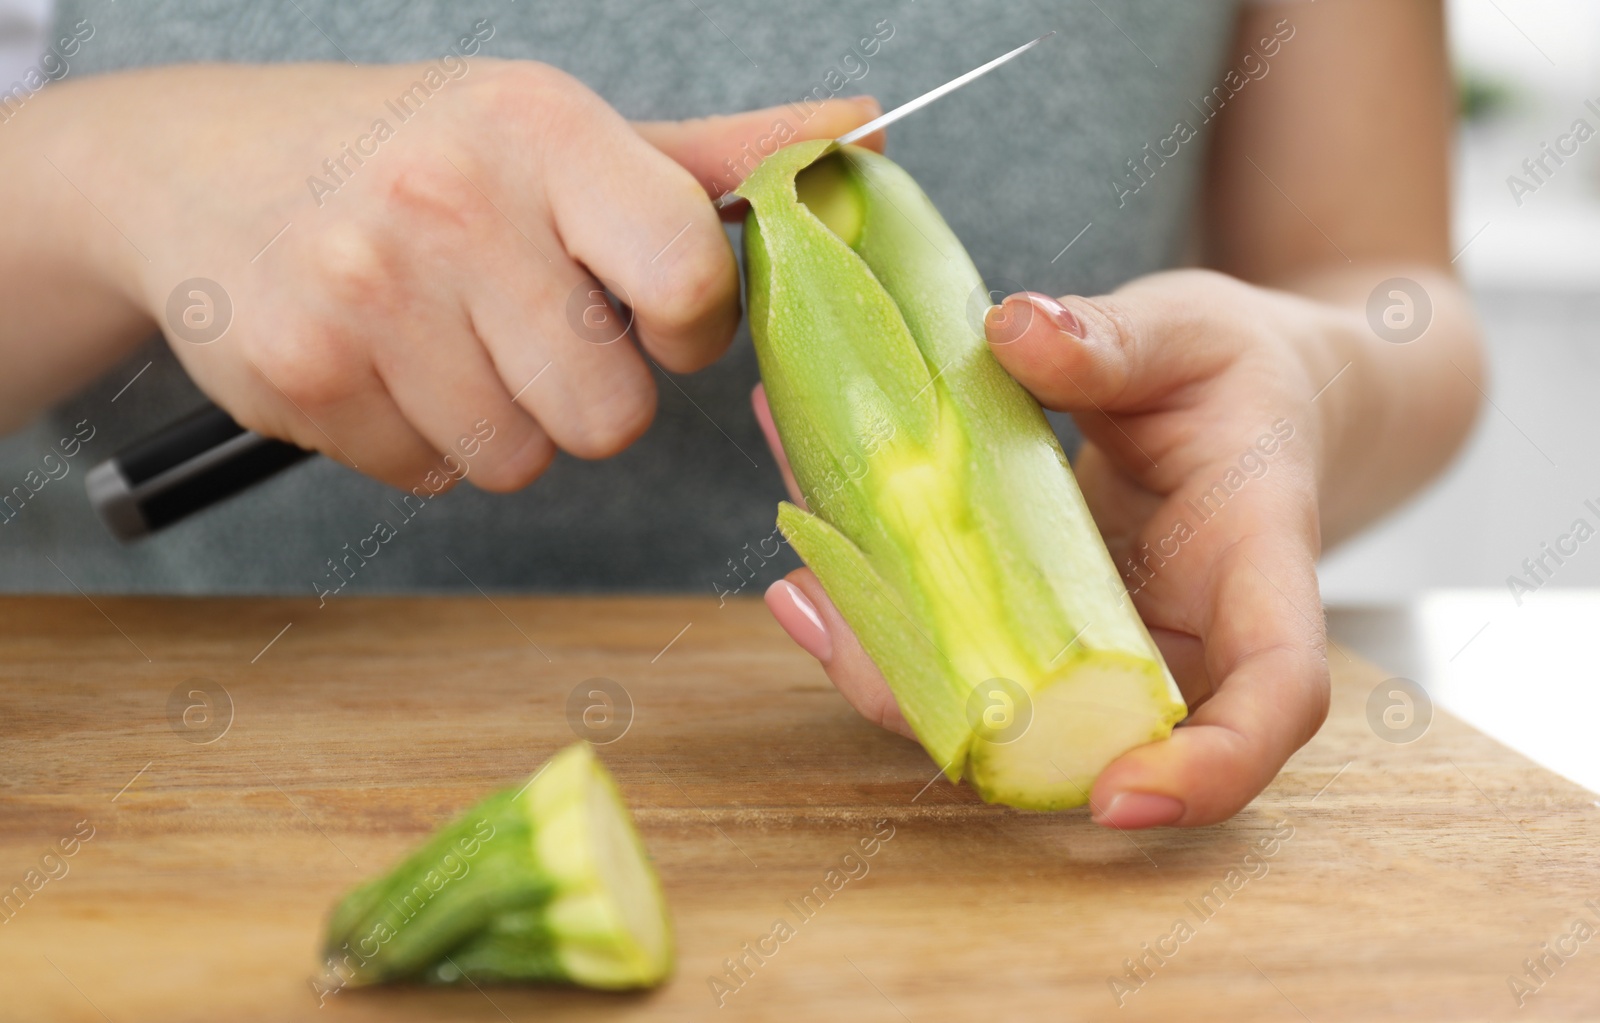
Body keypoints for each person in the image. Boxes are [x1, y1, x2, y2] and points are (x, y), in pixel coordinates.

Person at [0, 0, 1482, 828]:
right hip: (150, 795)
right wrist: (99, 174)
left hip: (907, 844)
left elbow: (1383, 284)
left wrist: (1304, 388)